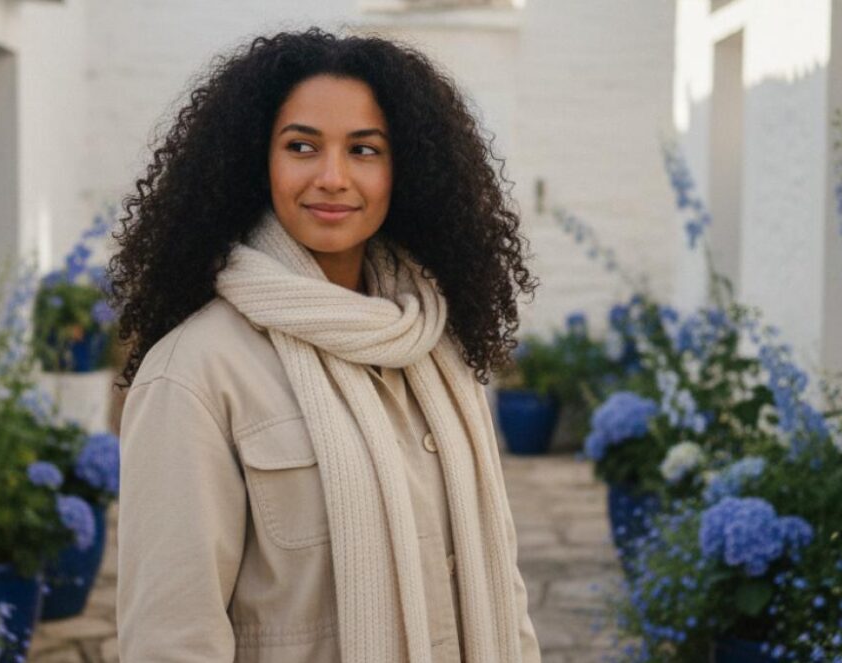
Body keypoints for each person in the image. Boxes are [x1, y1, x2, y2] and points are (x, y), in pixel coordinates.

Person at [108, 27, 541, 663]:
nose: (333, 177)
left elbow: (500, 581)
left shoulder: (437, 347)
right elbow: (170, 639)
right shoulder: (196, 373)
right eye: (302, 146)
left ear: (406, 170)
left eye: (365, 150)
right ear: (258, 162)